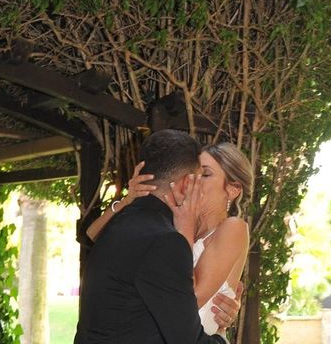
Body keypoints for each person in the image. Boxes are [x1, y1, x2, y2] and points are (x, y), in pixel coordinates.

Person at [75, 130, 229, 343]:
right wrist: (222, 334)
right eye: (200, 177)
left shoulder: (121, 222)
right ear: (185, 184)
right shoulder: (165, 241)